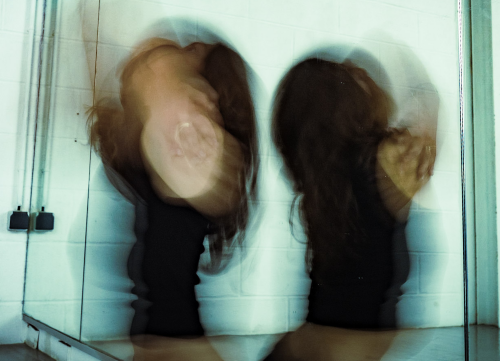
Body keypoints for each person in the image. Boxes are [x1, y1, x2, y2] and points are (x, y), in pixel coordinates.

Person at [88, 37, 259, 361]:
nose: (184, 49)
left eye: (193, 51)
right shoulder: (164, 147)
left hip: (173, 336)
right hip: (166, 334)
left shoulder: (194, 156)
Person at [265, 56, 436, 361]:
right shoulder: (382, 159)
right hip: (347, 340)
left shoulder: (324, 179)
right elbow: (428, 108)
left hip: (330, 337)